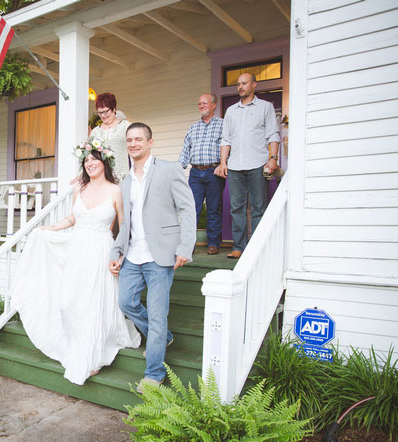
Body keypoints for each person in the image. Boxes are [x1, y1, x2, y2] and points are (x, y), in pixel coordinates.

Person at [9, 137, 141, 386]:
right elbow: (72, 218)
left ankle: (90, 357)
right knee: (69, 300)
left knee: (93, 302)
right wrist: (51, 228)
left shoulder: (115, 190)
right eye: (86, 160)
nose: (90, 163)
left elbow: (123, 224)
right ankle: (74, 342)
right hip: (77, 247)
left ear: (104, 162)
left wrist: (120, 254)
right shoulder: (79, 189)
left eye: (94, 159)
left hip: (101, 249)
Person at [108, 123, 196, 392]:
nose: (133, 144)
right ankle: (164, 338)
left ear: (150, 142)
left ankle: (154, 374)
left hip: (161, 255)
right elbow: (126, 222)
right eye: (130, 140)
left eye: (138, 139)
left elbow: (188, 208)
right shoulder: (125, 181)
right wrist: (117, 251)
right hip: (133, 255)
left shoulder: (169, 170)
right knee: (126, 303)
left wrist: (185, 246)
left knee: (158, 315)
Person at [214, 73, 280, 259]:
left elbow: (273, 134)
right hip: (235, 166)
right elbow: (226, 139)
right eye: (238, 84)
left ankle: (257, 248)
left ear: (254, 85)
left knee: (259, 207)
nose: (240, 87)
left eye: (244, 83)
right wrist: (223, 162)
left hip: (258, 163)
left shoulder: (265, 107)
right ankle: (239, 247)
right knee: (236, 208)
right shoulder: (231, 111)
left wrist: (272, 158)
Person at [179, 93, 225, 255]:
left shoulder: (223, 125)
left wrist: (224, 165)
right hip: (196, 172)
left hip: (214, 171)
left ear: (214, 105)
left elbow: (227, 147)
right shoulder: (193, 127)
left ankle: (213, 243)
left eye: (205, 103)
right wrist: (179, 168)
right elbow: (186, 149)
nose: (201, 106)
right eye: (199, 104)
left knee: (213, 209)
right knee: (192, 208)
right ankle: (189, 244)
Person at [90, 93, 131, 179]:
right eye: (100, 112)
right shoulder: (95, 132)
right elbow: (91, 156)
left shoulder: (126, 126)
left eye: (105, 111)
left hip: (122, 176)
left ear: (114, 108)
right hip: (102, 178)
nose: (103, 115)